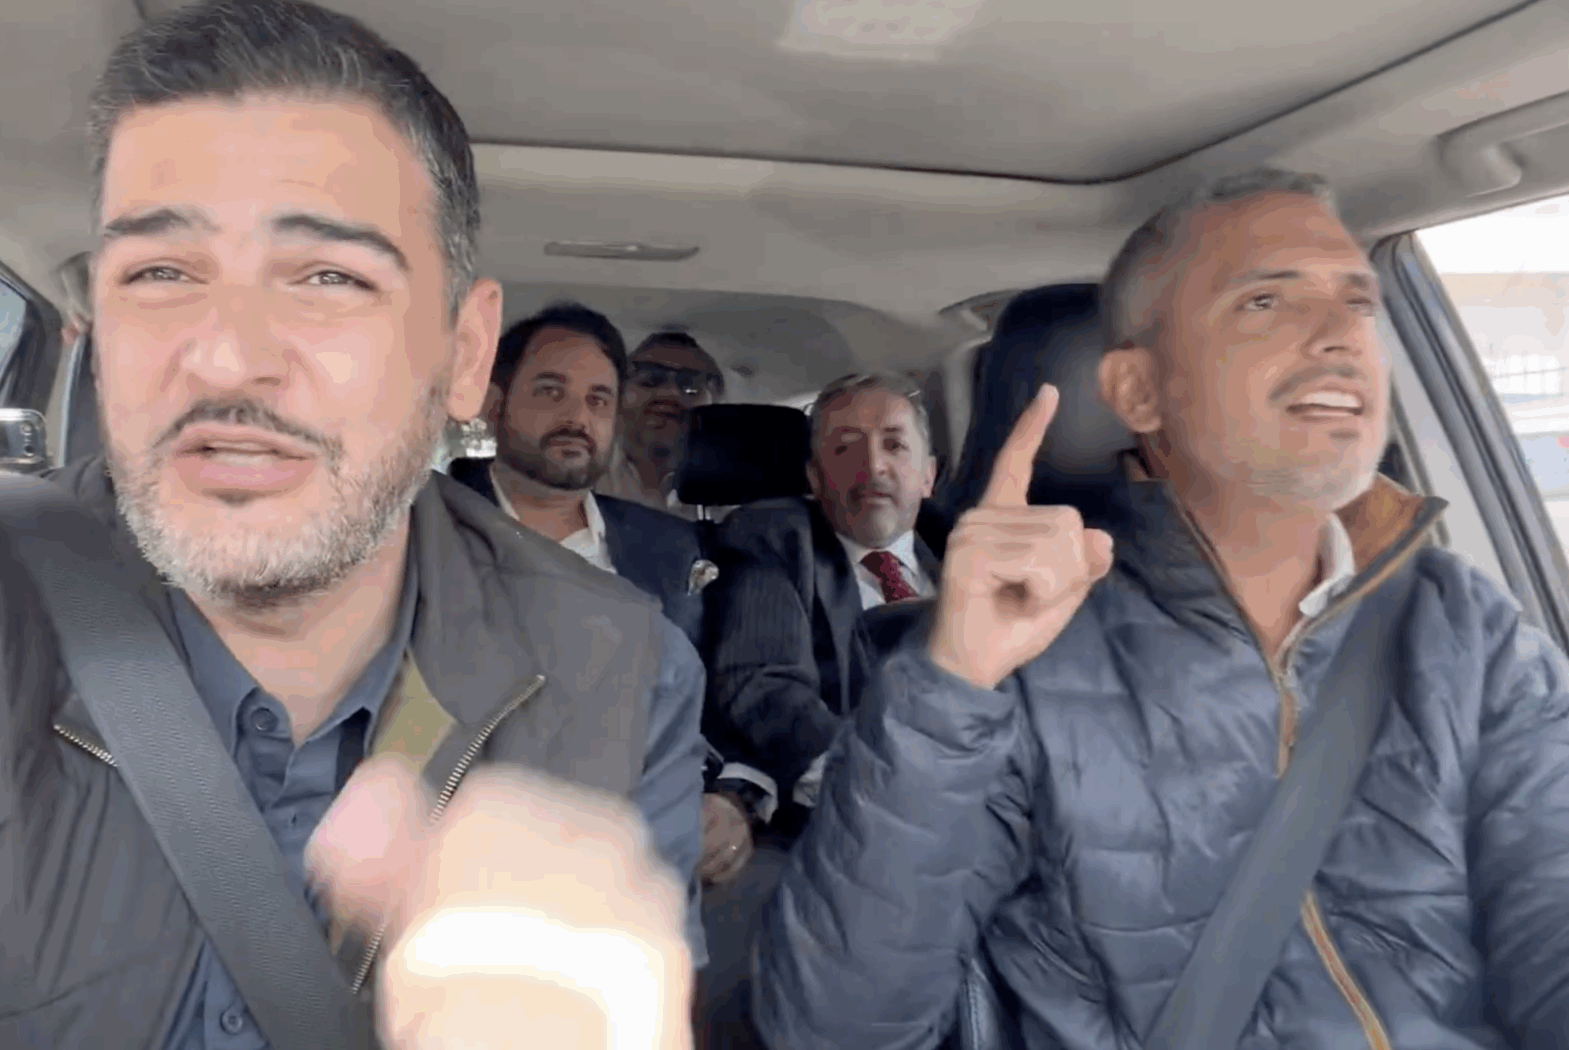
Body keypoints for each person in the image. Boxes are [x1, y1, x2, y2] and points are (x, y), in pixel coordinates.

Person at [0, 3, 707, 1048]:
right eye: (161, 273)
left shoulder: (623, 672)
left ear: (464, 354)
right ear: (98, 326)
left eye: (329, 278)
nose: (225, 358)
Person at [753, 169, 1569, 1049]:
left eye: (1359, 302)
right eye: (1265, 301)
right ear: (1139, 392)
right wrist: (947, 688)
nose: (1340, 334)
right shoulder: (1004, 662)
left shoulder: (1471, 627)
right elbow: (834, 1028)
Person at [443, 301, 764, 889]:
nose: (577, 417)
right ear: (492, 406)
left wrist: (732, 795)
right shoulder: (428, 527)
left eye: (599, 400)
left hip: (639, 852)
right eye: (550, 392)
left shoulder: (672, 548)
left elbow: (718, 699)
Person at [705, 371, 941, 838]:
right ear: (815, 477)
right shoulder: (775, 539)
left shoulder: (969, 549)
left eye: (894, 445)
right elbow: (764, 685)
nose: (873, 467)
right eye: (846, 449)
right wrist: (881, 778)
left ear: (929, 475)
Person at [597, 331, 729, 519]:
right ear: (618, 395)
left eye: (691, 386)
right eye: (650, 379)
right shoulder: (584, 472)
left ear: (714, 407)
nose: (670, 393)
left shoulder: (733, 494)